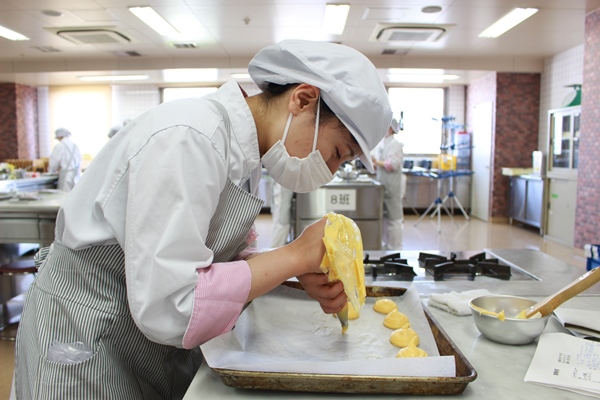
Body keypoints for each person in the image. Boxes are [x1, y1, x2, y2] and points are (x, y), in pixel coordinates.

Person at [12, 39, 392, 399]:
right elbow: (169, 305)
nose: (330, 168)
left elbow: (213, 265)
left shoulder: (245, 157)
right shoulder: (190, 137)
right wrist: (294, 255)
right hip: (86, 331)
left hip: (135, 336)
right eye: (337, 153)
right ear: (303, 99)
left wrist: (290, 269)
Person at [372, 118, 406, 250]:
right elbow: (380, 163)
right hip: (384, 185)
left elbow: (392, 164)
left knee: (394, 218)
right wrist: (375, 163)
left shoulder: (395, 144)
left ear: (390, 128)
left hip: (392, 186)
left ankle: (396, 247)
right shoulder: (383, 143)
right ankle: (387, 245)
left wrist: (377, 162)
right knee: (385, 217)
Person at [47, 127, 81, 192]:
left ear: (59, 136)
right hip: (76, 175)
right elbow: (79, 160)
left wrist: (51, 171)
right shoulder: (74, 146)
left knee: (64, 197)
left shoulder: (59, 146)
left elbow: (54, 161)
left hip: (66, 176)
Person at [270, 181, 294, 247]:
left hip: (285, 184)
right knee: (282, 222)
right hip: (283, 185)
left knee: (281, 221)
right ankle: (274, 251)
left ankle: (276, 250)